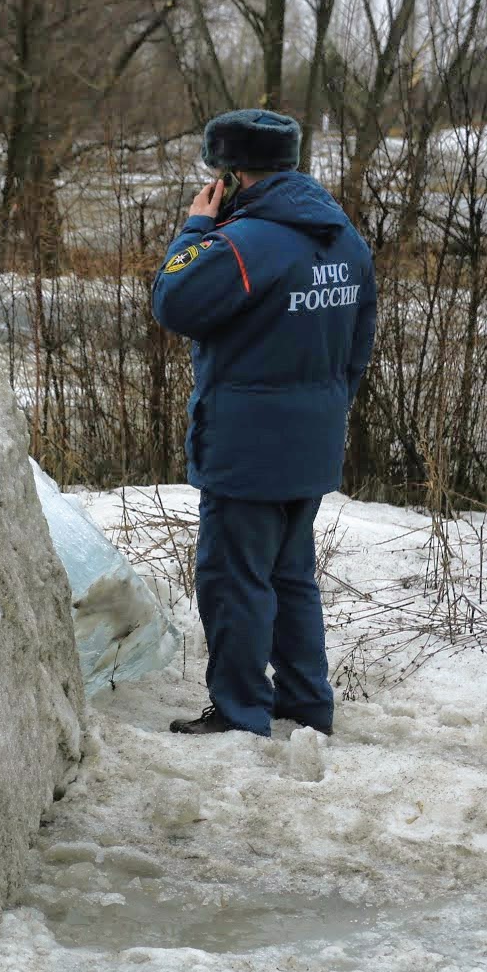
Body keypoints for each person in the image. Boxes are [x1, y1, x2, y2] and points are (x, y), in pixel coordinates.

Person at [150, 108, 376, 739]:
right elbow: (358, 346)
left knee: (235, 580)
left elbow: (173, 301)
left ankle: (240, 711)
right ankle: (306, 704)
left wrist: (196, 228)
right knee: (290, 576)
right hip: (313, 440)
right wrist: (324, 412)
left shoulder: (243, 244)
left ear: (229, 174)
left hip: (247, 445)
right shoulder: (344, 239)